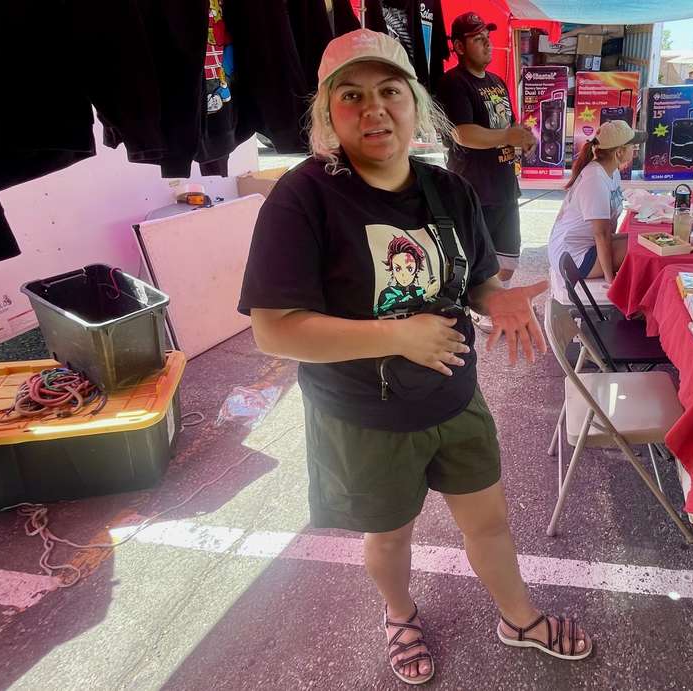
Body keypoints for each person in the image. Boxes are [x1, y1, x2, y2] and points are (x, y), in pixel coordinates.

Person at [238, 29, 591, 686]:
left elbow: (475, 278)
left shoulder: (448, 190)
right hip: (363, 414)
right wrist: (396, 336)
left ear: (415, 102)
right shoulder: (305, 197)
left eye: (389, 91)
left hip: (454, 395)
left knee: (488, 519)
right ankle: (399, 613)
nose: (374, 109)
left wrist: (499, 299)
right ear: (327, 113)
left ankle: (519, 617)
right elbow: (274, 329)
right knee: (390, 534)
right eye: (352, 95)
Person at [435, 11, 536, 334]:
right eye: (478, 40)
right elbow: (462, 134)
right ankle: (475, 309)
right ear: (459, 46)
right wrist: (508, 136)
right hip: (473, 189)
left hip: (505, 184)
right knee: (474, 261)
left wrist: (523, 139)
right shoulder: (453, 83)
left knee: (507, 260)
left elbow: (506, 127)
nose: (487, 45)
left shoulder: (497, 82)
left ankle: (485, 302)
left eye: (487, 38)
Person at [547, 120, 643, 283]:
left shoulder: (612, 172)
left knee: (645, 240)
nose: (635, 149)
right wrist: (609, 278)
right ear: (619, 152)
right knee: (643, 248)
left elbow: (606, 233)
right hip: (575, 257)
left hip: (584, 246)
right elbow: (601, 234)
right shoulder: (595, 179)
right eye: (632, 145)